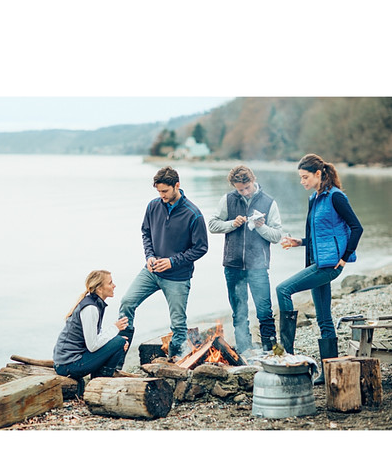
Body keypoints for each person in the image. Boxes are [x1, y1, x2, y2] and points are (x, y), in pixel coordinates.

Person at [276, 154, 363, 384]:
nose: (302, 181)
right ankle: (329, 371)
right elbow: (320, 235)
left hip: (329, 265)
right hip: (319, 262)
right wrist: (300, 242)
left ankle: (286, 354)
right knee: (324, 318)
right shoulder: (315, 198)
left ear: (318, 174)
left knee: (283, 289)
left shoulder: (336, 197)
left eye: (305, 177)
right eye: (300, 178)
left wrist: (344, 258)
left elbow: (357, 228)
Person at [118, 166, 208, 360]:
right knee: (127, 303)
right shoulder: (153, 206)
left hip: (177, 277)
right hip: (151, 272)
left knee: (178, 325)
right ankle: (117, 356)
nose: (162, 195)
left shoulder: (194, 214)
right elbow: (146, 233)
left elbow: (201, 248)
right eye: (158, 191)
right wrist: (149, 256)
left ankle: (174, 362)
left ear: (177, 185)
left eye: (165, 191)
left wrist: (172, 262)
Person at [208, 165, 282, 354]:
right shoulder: (228, 200)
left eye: (247, 188)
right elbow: (212, 225)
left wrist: (260, 227)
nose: (244, 192)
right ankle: (244, 350)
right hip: (233, 265)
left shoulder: (269, 202)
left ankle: (270, 350)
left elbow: (276, 236)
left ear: (253, 180)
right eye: (240, 190)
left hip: (258, 267)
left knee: (264, 311)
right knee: (239, 313)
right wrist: (232, 223)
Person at [53, 270, 129, 395]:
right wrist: (115, 330)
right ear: (99, 289)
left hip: (68, 362)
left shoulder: (94, 304)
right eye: (110, 283)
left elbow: (95, 337)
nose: (114, 285)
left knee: (119, 341)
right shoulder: (90, 308)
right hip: (68, 365)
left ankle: (98, 382)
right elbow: (93, 345)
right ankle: (99, 387)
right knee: (119, 341)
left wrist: (115, 340)